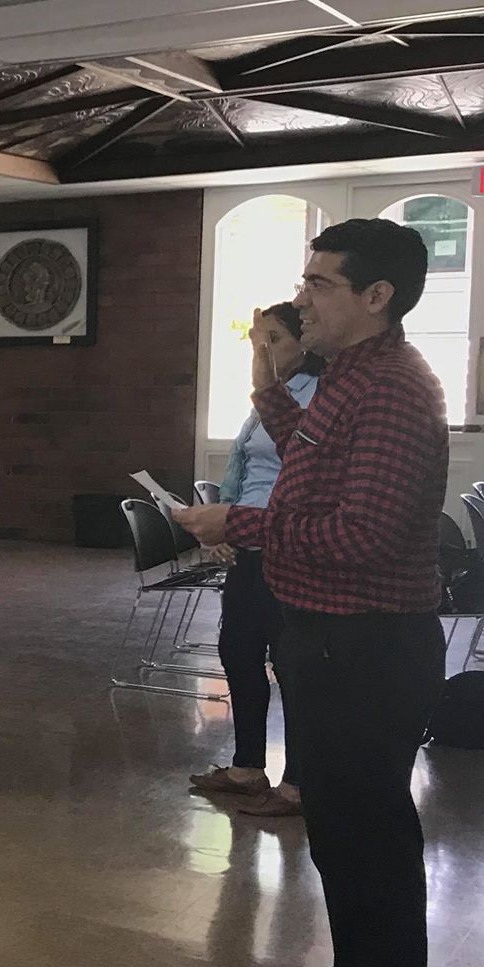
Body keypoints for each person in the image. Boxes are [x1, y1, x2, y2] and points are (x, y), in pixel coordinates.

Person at [173, 218, 446, 967]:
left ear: (378, 297)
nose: (302, 298)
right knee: (338, 838)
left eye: (321, 284)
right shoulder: (346, 380)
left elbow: (363, 535)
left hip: (368, 648)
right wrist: (267, 393)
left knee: (372, 851)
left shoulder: (396, 389)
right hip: (330, 642)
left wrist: (236, 523)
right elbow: (312, 464)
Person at [189, 303, 321, 820]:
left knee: (291, 665)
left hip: (288, 545)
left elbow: (308, 475)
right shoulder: (262, 400)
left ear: (303, 343)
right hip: (248, 542)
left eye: (275, 340)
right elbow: (239, 465)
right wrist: (221, 526)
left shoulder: (316, 397)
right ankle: (247, 767)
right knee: (238, 653)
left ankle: (297, 782)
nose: (263, 351)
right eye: (256, 341)